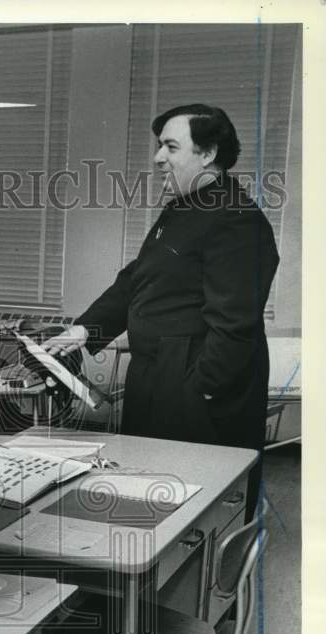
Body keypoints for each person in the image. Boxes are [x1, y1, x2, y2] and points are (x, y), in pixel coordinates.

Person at [44, 104, 279, 519]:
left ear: (208, 154)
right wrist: (83, 331)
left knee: (191, 506)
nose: (157, 157)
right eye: (159, 146)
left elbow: (235, 323)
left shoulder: (238, 218)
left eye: (171, 147)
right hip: (160, 377)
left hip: (191, 386)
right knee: (148, 495)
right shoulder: (182, 208)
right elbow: (137, 279)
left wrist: (200, 390)